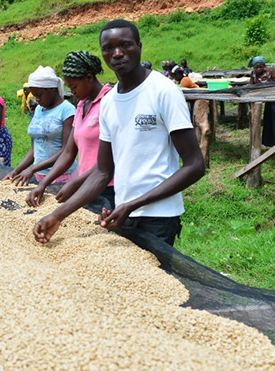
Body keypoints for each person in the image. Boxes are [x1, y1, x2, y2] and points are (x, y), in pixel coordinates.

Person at [33, 19, 205, 247]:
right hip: (122, 212)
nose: (117, 53)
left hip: (158, 216)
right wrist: (57, 215)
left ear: (139, 46)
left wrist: (133, 204)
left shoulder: (163, 91)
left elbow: (195, 165)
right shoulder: (110, 102)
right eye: (108, 49)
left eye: (125, 45)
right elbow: (103, 172)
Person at [26, 51, 114, 215]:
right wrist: (43, 184)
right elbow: (68, 152)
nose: (71, 91)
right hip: (86, 185)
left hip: (108, 186)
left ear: (89, 78)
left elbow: (112, 158)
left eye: (74, 86)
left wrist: (75, 183)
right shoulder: (81, 104)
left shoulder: (110, 102)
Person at [4, 66, 76, 187]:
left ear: (52, 89)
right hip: (40, 175)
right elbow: (35, 147)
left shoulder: (67, 110)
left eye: (39, 95)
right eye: (34, 95)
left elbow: (66, 150)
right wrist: (15, 171)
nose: (37, 99)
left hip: (61, 176)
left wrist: (32, 169)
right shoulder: (39, 109)